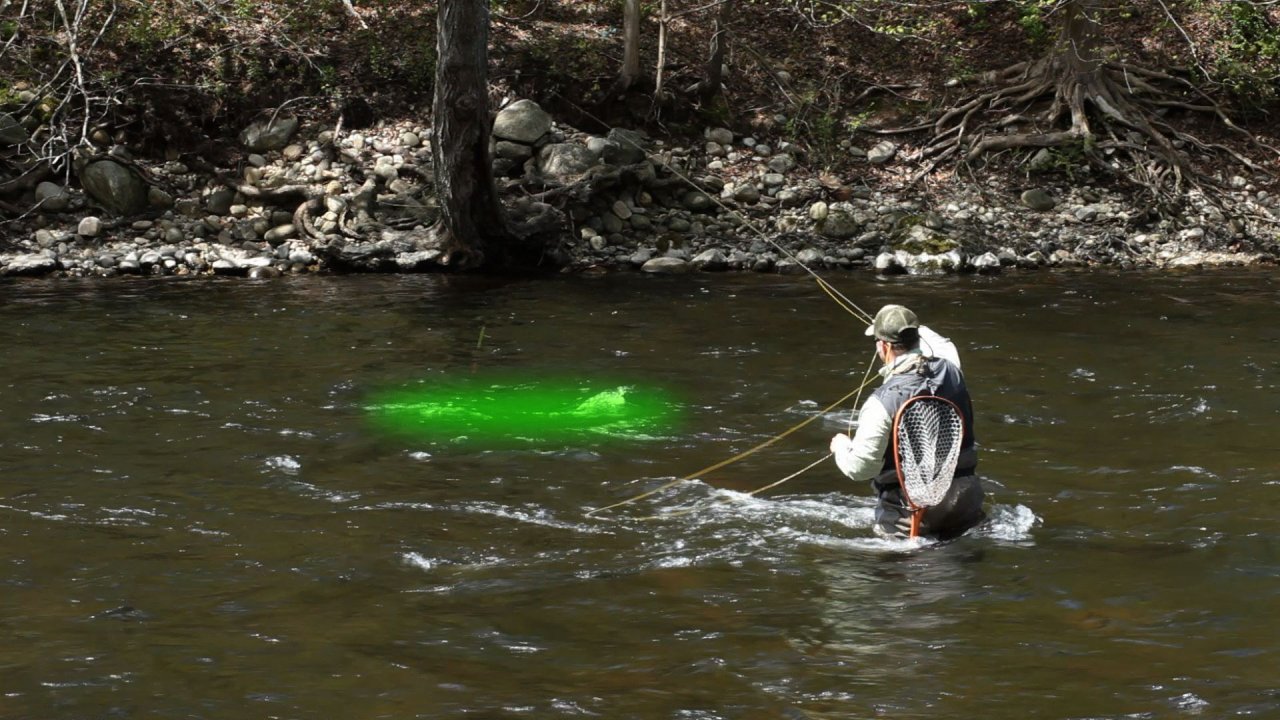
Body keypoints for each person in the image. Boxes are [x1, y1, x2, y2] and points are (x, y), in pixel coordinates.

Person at [829, 304, 985, 540]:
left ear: (884, 346)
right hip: (964, 502)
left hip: (910, 516)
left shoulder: (881, 402)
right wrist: (908, 325)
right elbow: (941, 343)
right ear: (917, 337)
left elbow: (861, 469)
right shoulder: (952, 369)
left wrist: (840, 446)